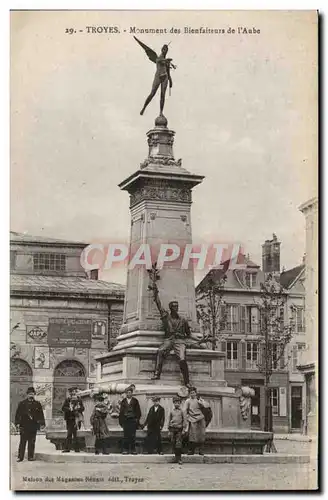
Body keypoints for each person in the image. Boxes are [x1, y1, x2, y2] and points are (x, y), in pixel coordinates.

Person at [150, 286, 192, 387]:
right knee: (160, 351)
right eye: (174, 306)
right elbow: (159, 305)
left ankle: (187, 381)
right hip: (168, 340)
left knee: (182, 358)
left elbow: (188, 334)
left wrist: (182, 336)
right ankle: (157, 374)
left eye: (177, 306)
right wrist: (155, 292)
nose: (176, 308)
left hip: (179, 341)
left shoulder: (183, 320)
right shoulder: (166, 317)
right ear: (170, 308)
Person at [15, 386, 45, 462]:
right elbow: (18, 414)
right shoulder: (22, 403)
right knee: (22, 442)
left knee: (32, 442)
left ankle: (30, 457)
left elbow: (41, 414)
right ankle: (20, 457)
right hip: (24, 425)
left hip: (33, 425)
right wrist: (17, 423)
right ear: (27, 395)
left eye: (32, 394)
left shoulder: (37, 404)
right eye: (29, 394)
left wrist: (42, 423)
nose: (31, 395)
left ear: (34, 394)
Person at [185, 386, 208, 455]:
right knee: (192, 435)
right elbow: (184, 410)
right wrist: (187, 417)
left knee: (201, 434)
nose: (192, 394)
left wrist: (201, 402)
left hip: (201, 418)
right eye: (191, 393)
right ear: (189, 394)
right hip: (192, 419)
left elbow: (206, 406)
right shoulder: (188, 401)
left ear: (196, 393)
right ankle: (191, 450)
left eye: (194, 393)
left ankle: (201, 450)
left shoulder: (199, 399)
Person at [119, 385, 141, 455]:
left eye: (130, 392)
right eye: (127, 392)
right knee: (126, 436)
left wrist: (136, 420)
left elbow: (138, 411)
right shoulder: (123, 401)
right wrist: (121, 422)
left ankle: (133, 449)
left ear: (132, 393)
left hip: (132, 421)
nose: (129, 394)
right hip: (126, 421)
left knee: (132, 436)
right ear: (126, 393)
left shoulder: (135, 401)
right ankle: (125, 449)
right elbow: (121, 412)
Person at [62, 387, 84, 453]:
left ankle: (76, 449)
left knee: (75, 434)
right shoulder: (67, 400)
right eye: (72, 392)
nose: (73, 393)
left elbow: (83, 408)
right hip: (69, 419)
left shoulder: (79, 400)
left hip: (76, 419)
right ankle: (67, 448)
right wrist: (69, 409)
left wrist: (78, 408)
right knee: (69, 434)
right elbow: (63, 408)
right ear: (70, 393)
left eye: (74, 391)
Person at [168, 396, 188, 465]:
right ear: (173, 403)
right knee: (173, 442)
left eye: (178, 403)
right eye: (175, 402)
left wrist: (184, 429)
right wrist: (169, 430)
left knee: (178, 444)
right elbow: (169, 420)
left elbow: (185, 421)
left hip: (179, 429)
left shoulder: (182, 411)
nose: (177, 404)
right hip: (173, 429)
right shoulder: (172, 411)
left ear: (180, 403)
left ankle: (179, 459)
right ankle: (176, 457)